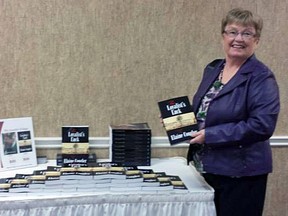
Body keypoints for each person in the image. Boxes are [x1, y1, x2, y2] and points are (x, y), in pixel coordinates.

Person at [188, 8, 280, 216]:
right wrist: (179, 122)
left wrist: (210, 135)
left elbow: (262, 125)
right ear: (223, 36)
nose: (238, 38)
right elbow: (205, 112)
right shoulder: (213, 69)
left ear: (256, 40)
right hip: (207, 169)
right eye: (232, 32)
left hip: (241, 174)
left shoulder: (261, 77)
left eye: (247, 33)